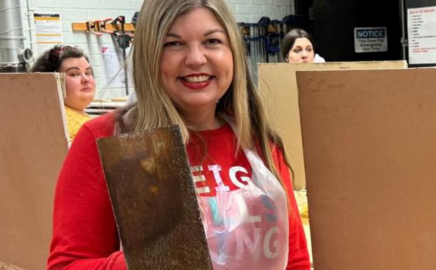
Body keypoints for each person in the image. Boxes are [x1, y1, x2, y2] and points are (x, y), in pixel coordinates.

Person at [47, 0, 310, 269]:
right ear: (149, 54)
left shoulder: (258, 143)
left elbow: (296, 260)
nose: (196, 58)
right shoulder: (106, 139)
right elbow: (67, 265)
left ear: (232, 51)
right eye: (173, 44)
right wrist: (147, 260)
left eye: (212, 41)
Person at [30, 45, 96, 141]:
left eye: (88, 73)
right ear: (51, 82)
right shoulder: (63, 125)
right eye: (74, 74)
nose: (86, 79)